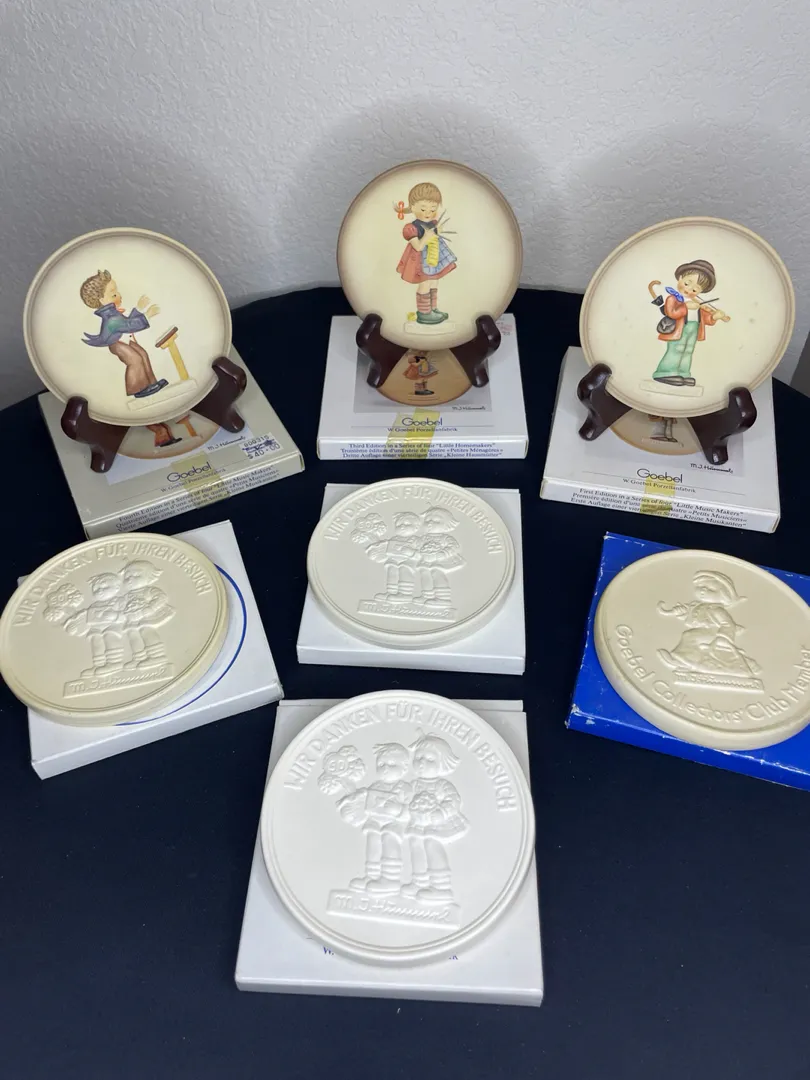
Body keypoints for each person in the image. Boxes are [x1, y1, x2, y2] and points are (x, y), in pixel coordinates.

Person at [338, 743, 412, 895]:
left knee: (389, 841)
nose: (385, 768)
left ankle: (390, 879)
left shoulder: (404, 788)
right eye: (381, 764)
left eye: (392, 764)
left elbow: (411, 811)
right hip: (375, 820)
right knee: (373, 843)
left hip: (393, 823)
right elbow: (367, 798)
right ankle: (371, 875)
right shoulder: (376, 785)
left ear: (404, 768)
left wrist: (398, 809)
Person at [401, 733, 467, 904]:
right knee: (415, 846)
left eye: (429, 759)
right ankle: (419, 882)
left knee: (432, 845)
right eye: (418, 758)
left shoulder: (442, 784)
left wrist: (442, 812)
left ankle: (441, 887)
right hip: (417, 822)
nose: (421, 762)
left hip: (436, 823)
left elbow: (453, 800)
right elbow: (407, 800)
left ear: (442, 764)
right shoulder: (413, 784)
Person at [80, 269, 167, 399]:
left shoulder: (113, 313)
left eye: (117, 292)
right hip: (117, 344)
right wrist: (147, 316)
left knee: (142, 354)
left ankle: (152, 383)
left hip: (123, 340)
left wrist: (138, 309)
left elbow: (127, 322)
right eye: (114, 294)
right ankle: (138, 389)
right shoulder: (111, 319)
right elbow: (128, 325)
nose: (119, 295)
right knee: (135, 360)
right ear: (102, 300)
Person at [657, 570, 761, 679]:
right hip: (704, 632)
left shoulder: (716, 609)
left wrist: (723, 637)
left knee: (690, 636)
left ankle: (685, 660)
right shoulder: (698, 606)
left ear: (723, 594)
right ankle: (684, 660)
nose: (703, 590)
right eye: (700, 587)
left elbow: (728, 624)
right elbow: (693, 617)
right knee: (689, 635)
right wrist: (681, 613)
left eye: (709, 588)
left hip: (715, 633)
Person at [651, 260, 730, 387]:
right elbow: (671, 313)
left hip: (693, 328)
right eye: (687, 283)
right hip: (679, 329)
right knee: (677, 349)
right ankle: (665, 372)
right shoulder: (673, 298)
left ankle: (683, 373)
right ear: (680, 278)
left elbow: (705, 319)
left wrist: (715, 316)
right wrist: (685, 307)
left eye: (695, 289)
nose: (689, 289)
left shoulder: (698, 302)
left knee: (688, 350)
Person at [395, 182, 457, 326]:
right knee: (425, 283)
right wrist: (426, 237)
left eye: (433, 209)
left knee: (434, 281)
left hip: (434, 257)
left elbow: (434, 235)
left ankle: (433, 309)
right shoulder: (411, 228)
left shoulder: (433, 222)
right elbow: (418, 247)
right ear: (413, 208)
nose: (428, 213)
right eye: (423, 209)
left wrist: (437, 231)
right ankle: (424, 313)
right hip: (420, 261)